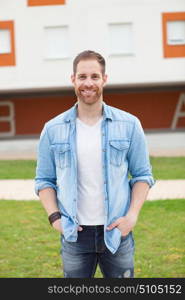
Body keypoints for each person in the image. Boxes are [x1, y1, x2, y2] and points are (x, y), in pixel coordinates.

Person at [35, 50, 155, 278]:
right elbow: (44, 180)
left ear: (104, 79)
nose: (88, 83)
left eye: (94, 76)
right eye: (82, 77)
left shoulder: (129, 124)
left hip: (116, 234)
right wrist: (55, 219)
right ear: (73, 80)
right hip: (74, 235)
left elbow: (142, 175)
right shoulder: (53, 129)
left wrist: (132, 217)